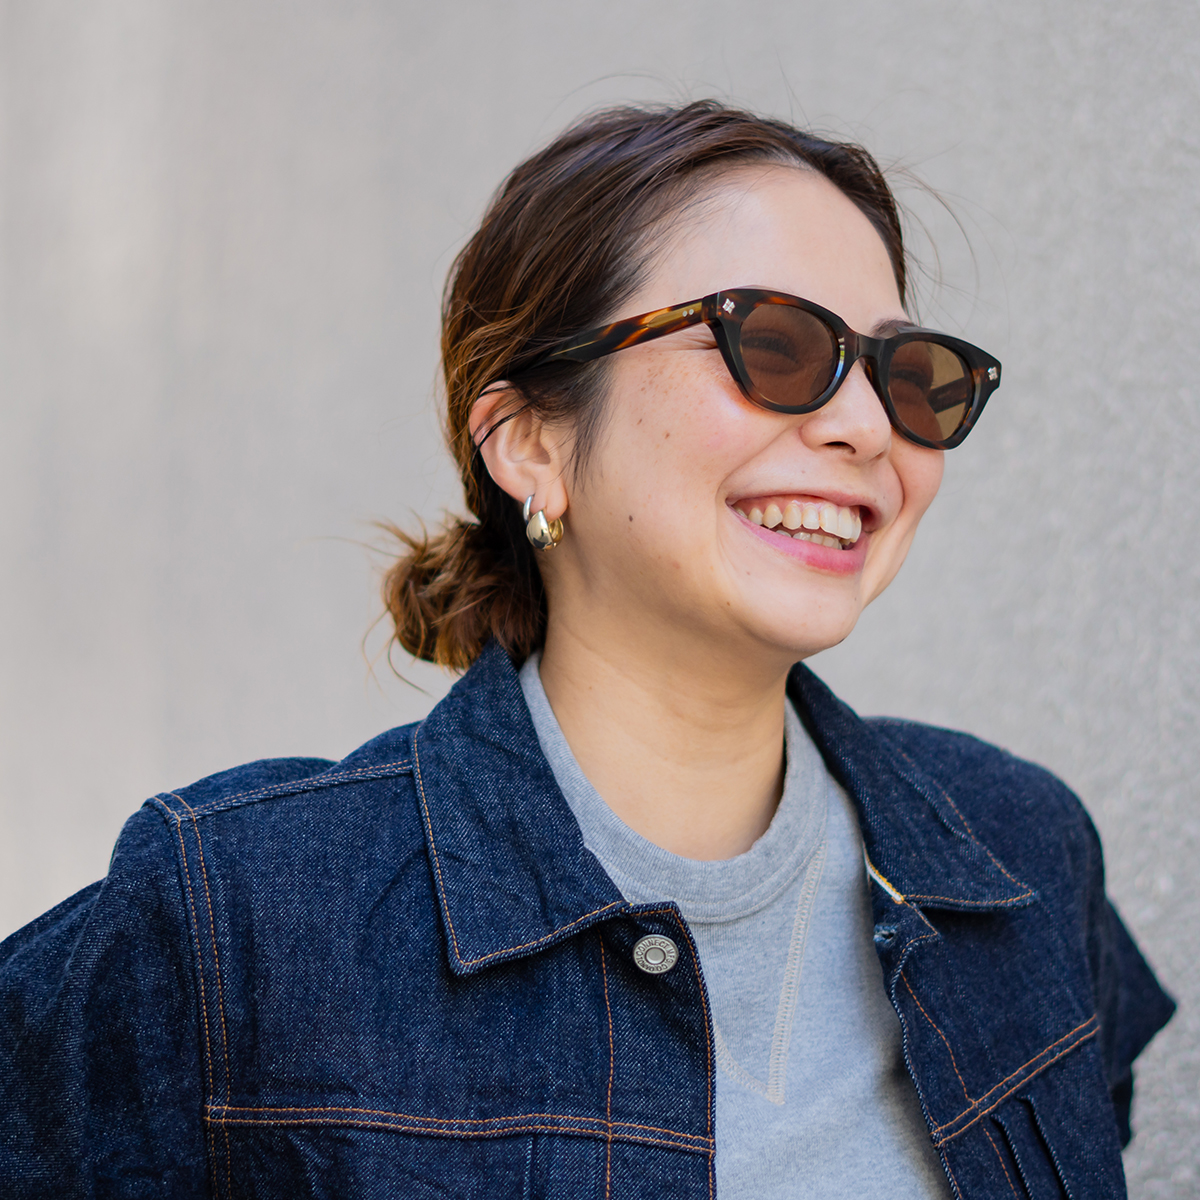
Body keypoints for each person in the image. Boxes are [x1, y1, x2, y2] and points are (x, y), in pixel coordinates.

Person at [0, 101, 1173, 1200]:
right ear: (529, 442)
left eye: (912, 376)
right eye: (772, 344)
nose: (868, 426)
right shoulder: (237, 918)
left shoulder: (1020, 852)